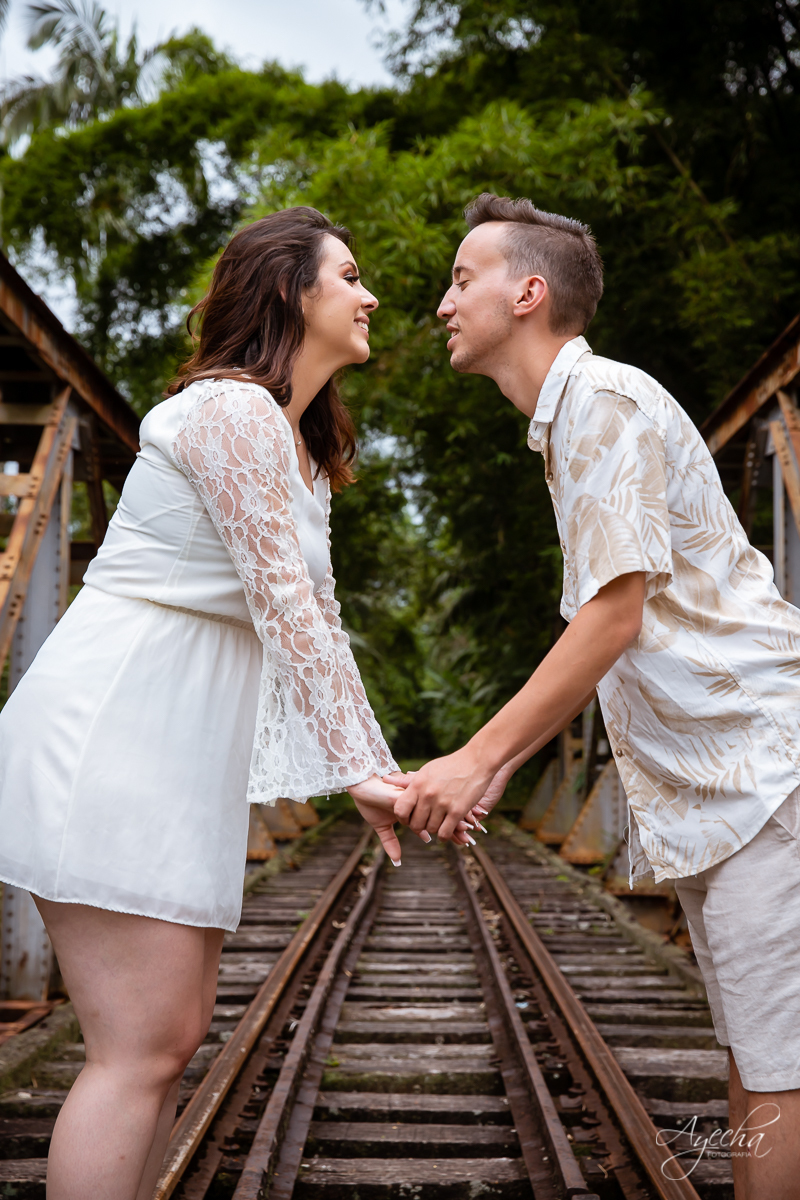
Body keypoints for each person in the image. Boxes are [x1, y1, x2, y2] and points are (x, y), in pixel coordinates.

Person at [0, 207, 467, 1200]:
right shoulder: (228, 413)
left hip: (167, 755)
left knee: (163, 1042)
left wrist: (370, 771)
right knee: (139, 1048)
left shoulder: (300, 447)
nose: (369, 293)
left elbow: (321, 623)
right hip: (112, 734)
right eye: (348, 274)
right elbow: (284, 607)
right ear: (292, 292)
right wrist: (358, 772)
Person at [389, 192, 800, 1200]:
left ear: (526, 293)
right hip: (728, 782)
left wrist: (477, 758)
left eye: (459, 277)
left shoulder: (603, 405)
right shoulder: (573, 420)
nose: (441, 303)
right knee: (759, 1063)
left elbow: (609, 617)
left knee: (782, 1077)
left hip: (763, 767)